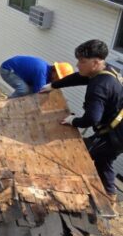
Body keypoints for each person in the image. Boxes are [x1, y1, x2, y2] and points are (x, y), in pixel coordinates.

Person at [40, 39, 123, 204]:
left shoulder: (100, 86)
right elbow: (78, 78)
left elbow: (91, 118)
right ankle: (110, 195)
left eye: (82, 62)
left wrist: (73, 120)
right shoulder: (105, 71)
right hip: (116, 128)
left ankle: (73, 190)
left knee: (78, 154)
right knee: (103, 161)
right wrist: (54, 85)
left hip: (115, 136)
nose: (78, 65)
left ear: (96, 62)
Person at [0, 55, 74, 98]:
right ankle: (8, 104)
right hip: (7, 70)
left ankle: (20, 104)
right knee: (24, 90)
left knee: (31, 90)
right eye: (58, 77)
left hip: (17, 72)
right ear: (54, 70)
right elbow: (39, 94)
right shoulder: (42, 72)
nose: (57, 80)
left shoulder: (46, 72)